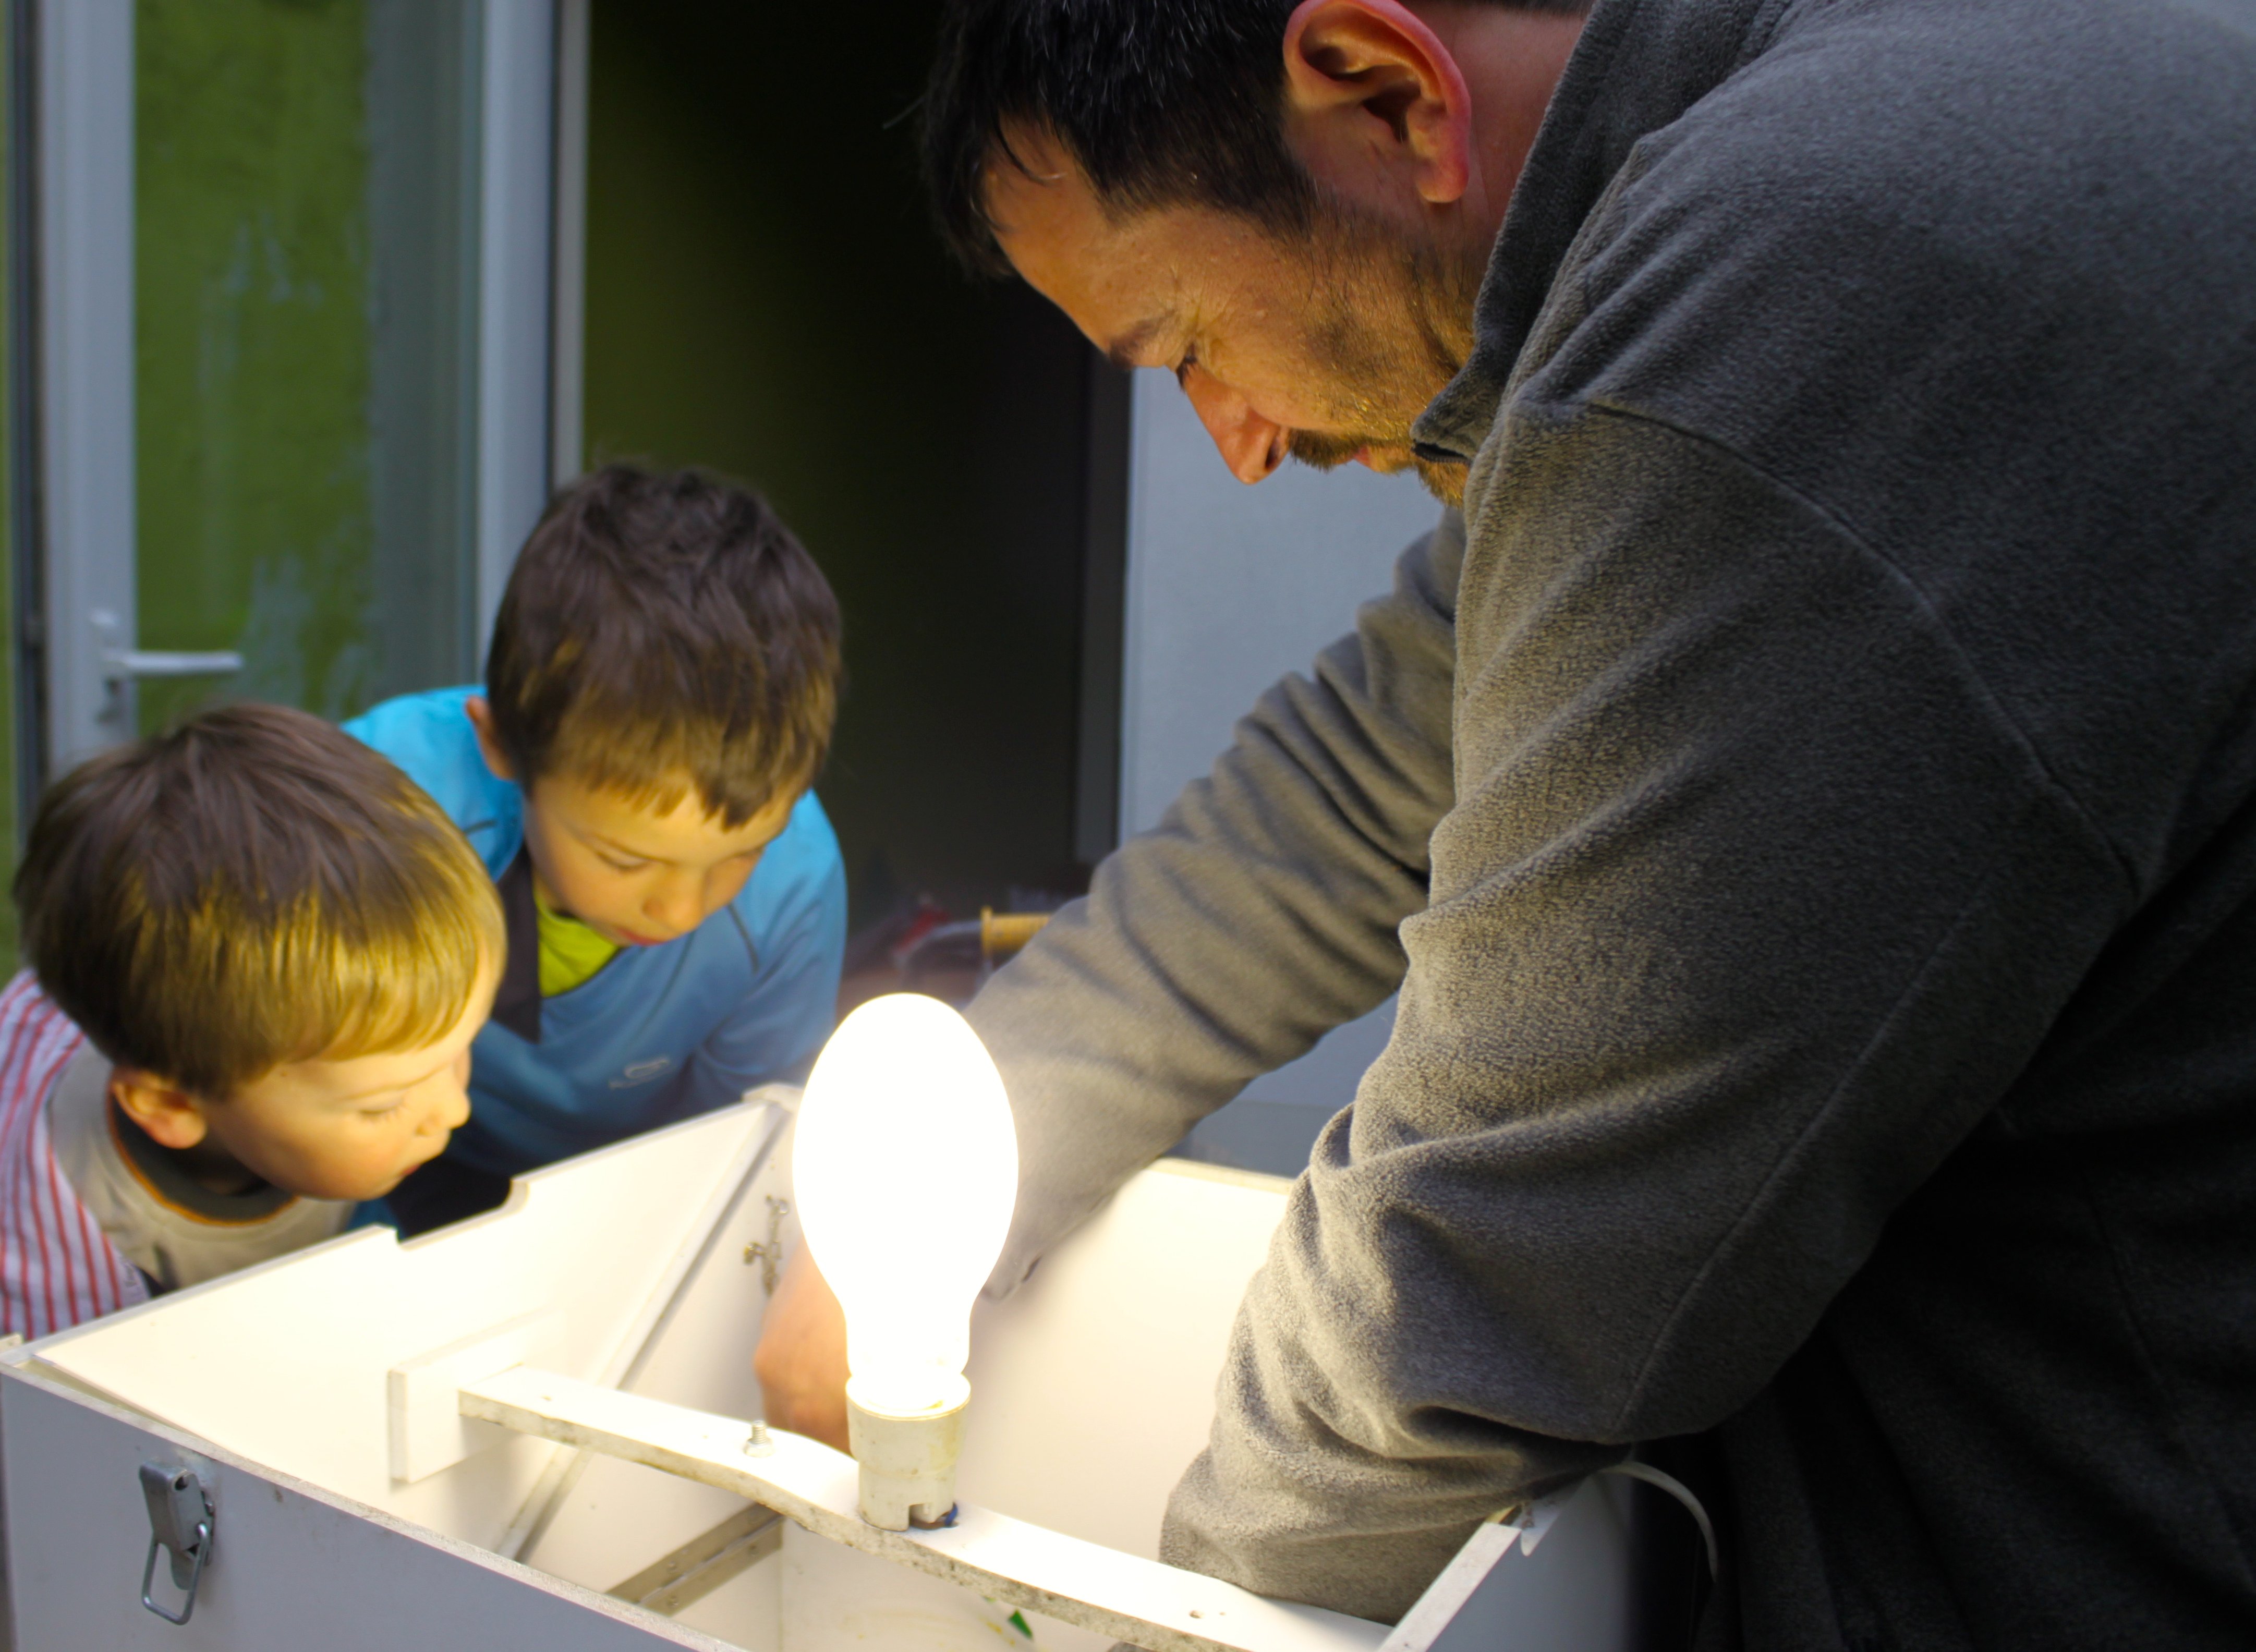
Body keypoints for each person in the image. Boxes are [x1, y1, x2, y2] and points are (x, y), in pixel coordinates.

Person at [757, 0, 2256, 1645]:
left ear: (1386, 93)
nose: (1238, 445)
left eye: (1185, 343)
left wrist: (1188, 1622)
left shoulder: (1796, 300)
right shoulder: (1788, 157)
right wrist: (976, 1159)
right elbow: (1358, 780)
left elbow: (1474, 1273)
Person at [350, 463, 846, 1232]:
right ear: (502, 748)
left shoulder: (795, 884)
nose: (680, 909)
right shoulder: (376, 811)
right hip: (378, 1174)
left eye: (738, 855)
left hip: (634, 1205)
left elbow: (737, 1159)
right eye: (624, 859)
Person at [0, 705, 500, 1339]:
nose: (452, 1112)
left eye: (458, 1052)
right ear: (171, 1105)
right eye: (384, 1105)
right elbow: (68, 1426)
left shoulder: (293, 1070)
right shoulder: (57, 1263)